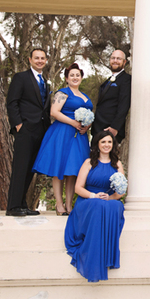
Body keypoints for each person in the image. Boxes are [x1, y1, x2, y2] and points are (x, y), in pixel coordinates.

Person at [64, 131, 125, 282]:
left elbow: (121, 191)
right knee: (99, 205)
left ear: (113, 145)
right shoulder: (89, 163)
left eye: (109, 142)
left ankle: (107, 253)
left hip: (107, 200)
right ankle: (92, 254)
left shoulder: (117, 164)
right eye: (103, 142)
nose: (106, 145)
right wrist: (94, 196)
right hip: (88, 200)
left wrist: (110, 197)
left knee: (116, 206)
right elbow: (78, 188)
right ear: (97, 144)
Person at [32, 63, 92, 215]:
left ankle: (69, 205)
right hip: (63, 133)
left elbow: (90, 114)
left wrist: (87, 125)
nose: (75, 77)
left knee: (73, 171)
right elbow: (54, 112)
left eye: (77, 75)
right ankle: (59, 205)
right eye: (71, 75)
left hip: (80, 136)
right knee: (59, 168)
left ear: (81, 77)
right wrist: (73, 122)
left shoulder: (85, 96)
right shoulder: (62, 93)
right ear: (66, 78)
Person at [6, 48, 51, 217]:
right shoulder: (21, 78)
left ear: (46, 61)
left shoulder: (45, 82)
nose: (40, 61)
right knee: (20, 167)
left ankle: (22, 204)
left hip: (40, 131)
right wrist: (18, 124)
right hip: (25, 130)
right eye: (36, 58)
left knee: (30, 170)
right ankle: (13, 206)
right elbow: (12, 102)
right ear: (30, 59)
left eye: (42, 58)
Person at [91, 49, 131, 142]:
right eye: (113, 58)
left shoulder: (126, 79)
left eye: (118, 58)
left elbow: (124, 104)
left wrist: (115, 127)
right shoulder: (108, 80)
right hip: (98, 128)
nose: (115, 61)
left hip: (110, 130)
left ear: (124, 62)